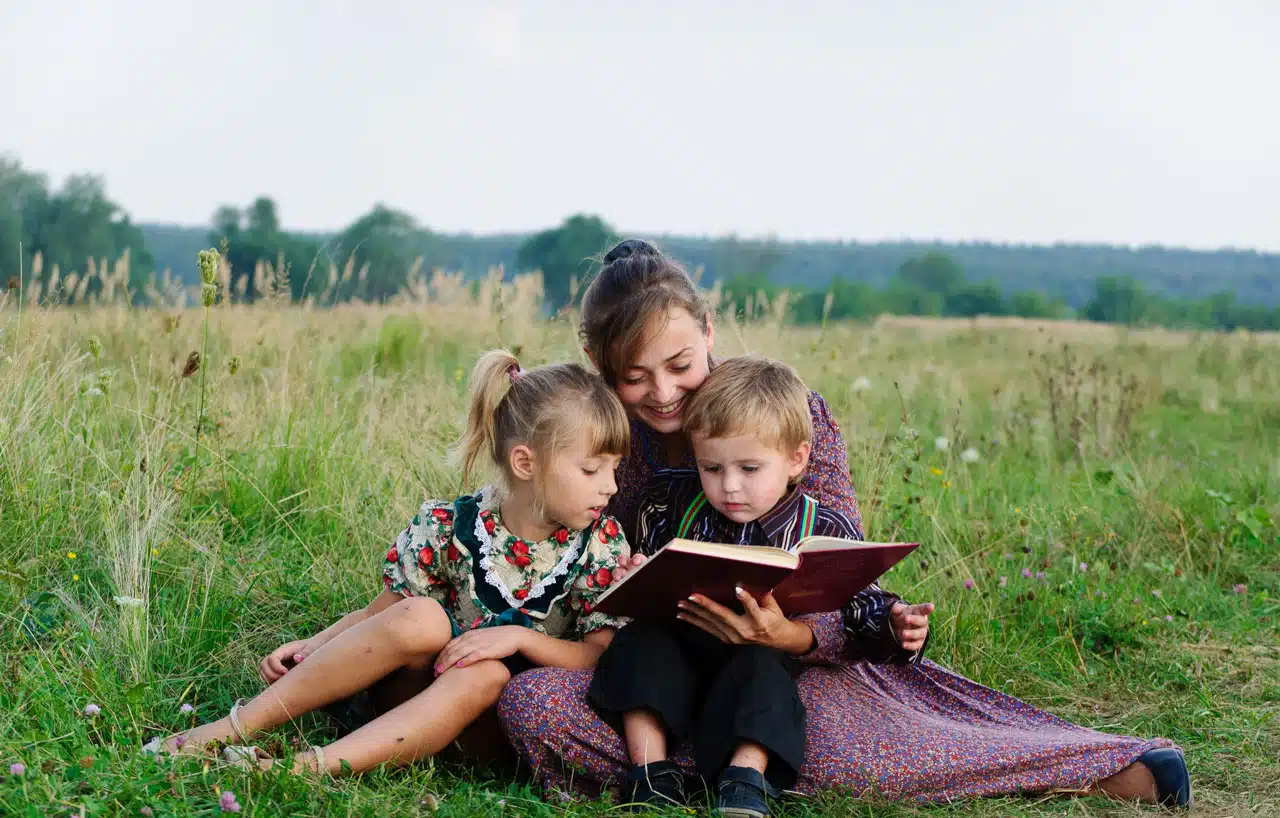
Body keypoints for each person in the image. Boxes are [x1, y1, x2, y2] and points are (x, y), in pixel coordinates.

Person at [496, 240, 1192, 809]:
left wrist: (790, 633)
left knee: (831, 731)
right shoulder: (600, 433)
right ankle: (698, 769)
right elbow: (548, 544)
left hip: (793, 668)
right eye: (634, 378)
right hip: (653, 664)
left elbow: (840, 571)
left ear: (708, 332)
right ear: (599, 367)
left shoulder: (786, 413)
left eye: (679, 365)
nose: (664, 393)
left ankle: (1101, 768)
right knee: (534, 704)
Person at [153, 351, 632, 775]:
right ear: (525, 463)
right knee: (421, 616)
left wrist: (517, 637)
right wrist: (314, 645)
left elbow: (596, 656)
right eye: (592, 470)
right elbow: (377, 616)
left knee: (488, 672)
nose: (609, 486)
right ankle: (231, 728)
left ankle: (308, 767)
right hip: (410, 697)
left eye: (615, 468)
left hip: (495, 723)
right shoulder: (449, 526)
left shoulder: (600, 547)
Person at [589, 356, 932, 818]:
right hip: (677, 651)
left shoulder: (822, 525)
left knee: (764, 668)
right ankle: (651, 772)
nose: (729, 487)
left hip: (760, 659)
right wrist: (635, 570)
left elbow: (860, 604)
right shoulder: (671, 500)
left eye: (750, 469)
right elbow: (643, 562)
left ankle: (746, 777)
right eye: (711, 468)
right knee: (637, 643)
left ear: (797, 459)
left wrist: (896, 625)